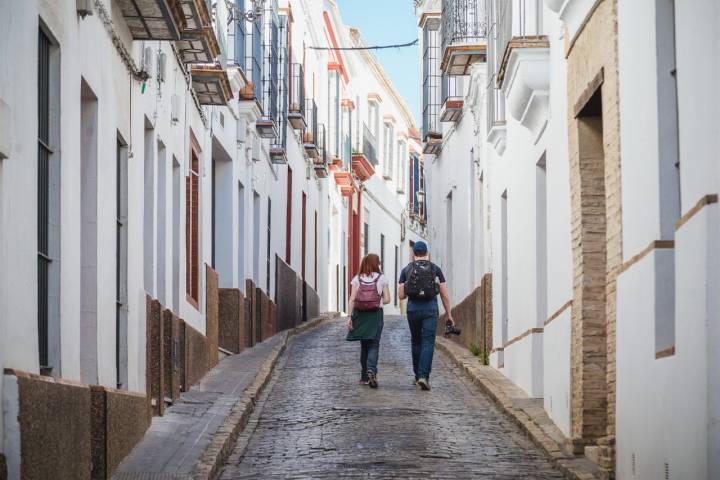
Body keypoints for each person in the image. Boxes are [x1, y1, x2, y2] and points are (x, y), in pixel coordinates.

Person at [398, 241, 454, 391]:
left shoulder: (406, 270)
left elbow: (401, 295)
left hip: (413, 310)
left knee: (416, 341)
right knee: (428, 342)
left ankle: (417, 376)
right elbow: (444, 295)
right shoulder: (435, 269)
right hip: (430, 309)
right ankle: (424, 376)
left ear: (413, 254)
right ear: (427, 253)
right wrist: (449, 315)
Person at [345, 253, 391, 388]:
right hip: (376, 314)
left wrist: (349, 317)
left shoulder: (357, 279)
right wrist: (377, 299)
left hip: (360, 315)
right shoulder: (382, 278)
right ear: (376, 264)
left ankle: (364, 376)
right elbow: (388, 299)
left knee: (364, 346)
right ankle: (371, 369)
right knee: (374, 344)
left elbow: (352, 299)